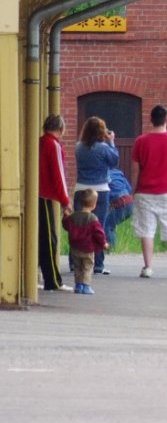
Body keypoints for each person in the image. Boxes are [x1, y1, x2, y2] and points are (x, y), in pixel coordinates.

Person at [131, 104, 167, 279]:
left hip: (145, 190)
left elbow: (135, 165)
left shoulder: (141, 140)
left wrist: (134, 188)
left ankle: (148, 267)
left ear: (150, 119)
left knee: (147, 230)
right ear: (166, 120)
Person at [73, 116, 119, 275]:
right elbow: (114, 162)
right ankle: (98, 264)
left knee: (79, 226)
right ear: (102, 132)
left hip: (81, 188)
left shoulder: (78, 147)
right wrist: (111, 141)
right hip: (100, 189)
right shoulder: (104, 148)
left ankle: (75, 263)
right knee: (98, 227)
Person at [38, 114, 72, 292]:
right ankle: (53, 280)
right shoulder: (54, 145)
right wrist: (66, 201)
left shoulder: (39, 142)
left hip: (35, 195)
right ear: (61, 129)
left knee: (39, 238)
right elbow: (59, 175)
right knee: (49, 239)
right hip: (45, 197)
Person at [63, 189, 108, 295]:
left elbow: (66, 225)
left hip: (75, 248)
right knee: (87, 267)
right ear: (94, 204)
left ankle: (78, 285)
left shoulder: (73, 217)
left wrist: (65, 215)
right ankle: (86, 286)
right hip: (88, 248)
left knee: (78, 267)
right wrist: (104, 243)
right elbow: (99, 233)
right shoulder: (93, 219)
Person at [104, 166, 134, 251]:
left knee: (107, 226)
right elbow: (129, 189)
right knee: (110, 224)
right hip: (130, 203)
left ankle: (112, 249)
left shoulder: (103, 175)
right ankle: (112, 247)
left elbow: (105, 194)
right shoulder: (118, 173)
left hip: (121, 203)